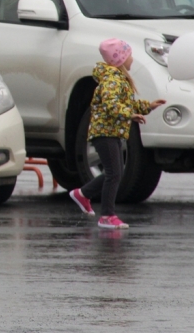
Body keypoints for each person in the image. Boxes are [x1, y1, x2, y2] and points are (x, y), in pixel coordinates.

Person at [68, 39, 165, 230]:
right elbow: (111, 105)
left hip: (110, 131)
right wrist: (130, 115)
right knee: (114, 174)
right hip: (104, 132)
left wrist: (147, 106)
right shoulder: (112, 79)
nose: (132, 59)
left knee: (115, 172)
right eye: (129, 55)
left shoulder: (118, 78)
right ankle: (107, 215)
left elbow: (124, 104)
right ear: (119, 59)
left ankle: (83, 194)